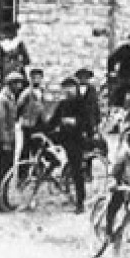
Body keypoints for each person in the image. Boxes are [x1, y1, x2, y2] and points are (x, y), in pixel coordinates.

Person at [43, 76, 90, 213]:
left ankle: (80, 202)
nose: (68, 91)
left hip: (76, 139)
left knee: (76, 170)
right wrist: (43, 131)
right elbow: (53, 121)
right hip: (63, 137)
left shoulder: (82, 103)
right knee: (44, 146)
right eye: (66, 88)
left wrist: (75, 122)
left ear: (76, 88)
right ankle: (55, 165)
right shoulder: (63, 104)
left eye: (71, 87)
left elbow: (88, 122)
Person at [0, 71, 28, 211]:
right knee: (4, 171)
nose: (19, 86)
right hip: (4, 139)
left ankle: (4, 200)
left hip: (9, 137)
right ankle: (1, 202)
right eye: (17, 83)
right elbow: (1, 121)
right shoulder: (3, 98)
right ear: (11, 84)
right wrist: (6, 141)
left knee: (8, 171)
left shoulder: (10, 96)